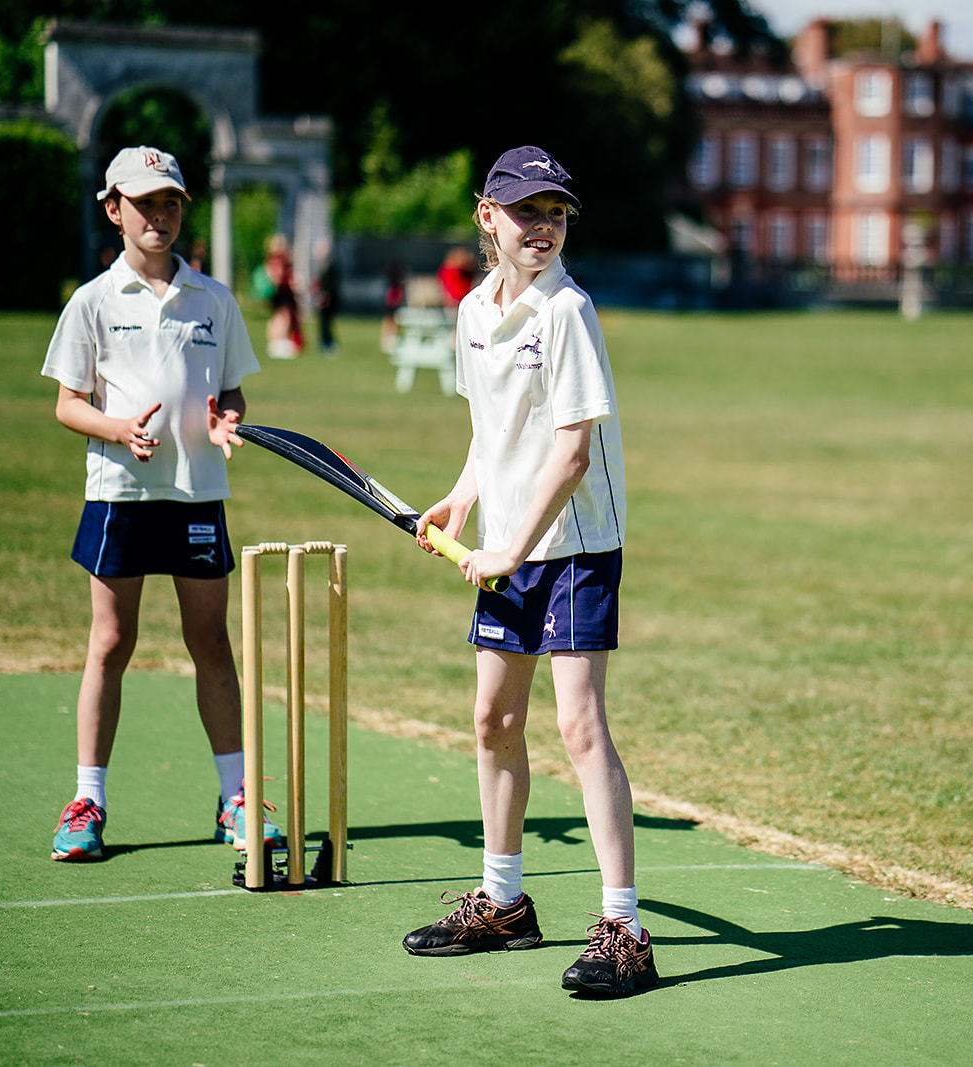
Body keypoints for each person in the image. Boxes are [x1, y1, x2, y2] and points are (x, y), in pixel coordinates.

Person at [402, 146, 656, 998]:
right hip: (508, 542)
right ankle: (504, 903)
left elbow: (574, 451)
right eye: (525, 211)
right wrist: (461, 499)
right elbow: (492, 429)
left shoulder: (567, 312)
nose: (542, 226)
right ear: (488, 217)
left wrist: (512, 548)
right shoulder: (475, 312)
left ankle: (625, 928)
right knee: (491, 718)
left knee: (579, 727)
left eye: (554, 212)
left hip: (574, 546)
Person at [41, 145, 278, 862]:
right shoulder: (91, 300)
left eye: (171, 202)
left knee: (211, 641)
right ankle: (88, 800)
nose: (160, 216)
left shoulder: (213, 297)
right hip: (119, 493)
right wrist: (116, 428)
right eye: (145, 203)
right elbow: (67, 404)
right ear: (114, 210)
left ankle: (235, 795)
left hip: (197, 494)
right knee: (111, 643)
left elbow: (231, 389)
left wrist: (225, 419)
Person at [264, 233, 304, 358]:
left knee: (283, 318)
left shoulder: (280, 258)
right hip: (281, 291)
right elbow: (276, 275)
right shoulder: (277, 259)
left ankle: (277, 342)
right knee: (282, 318)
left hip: (284, 291)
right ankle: (275, 342)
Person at [312, 239, 341, 356]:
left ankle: (328, 343)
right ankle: (324, 343)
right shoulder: (321, 266)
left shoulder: (330, 266)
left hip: (328, 300)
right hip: (322, 299)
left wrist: (325, 296)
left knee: (327, 322)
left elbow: (331, 285)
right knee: (322, 322)